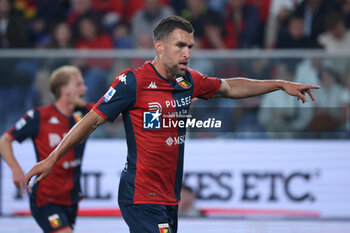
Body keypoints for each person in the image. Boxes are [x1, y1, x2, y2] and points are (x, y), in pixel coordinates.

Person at [25, 16, 319, 233]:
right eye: (180, 45)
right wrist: (53, 158)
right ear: (159, 45)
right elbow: (90, 122)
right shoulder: (132, 81)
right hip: (140, 195)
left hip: (169, 196)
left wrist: (279, 84)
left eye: (190, 46)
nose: (187, 53)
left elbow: (230, 87)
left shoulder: (187, 80)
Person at [0, 66, 92, 233]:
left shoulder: (85, 114)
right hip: (45, 200)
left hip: (71, 199)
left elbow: (119, 112)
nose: (84, 88)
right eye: (78, 84)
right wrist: (16, 170)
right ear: (63, 90)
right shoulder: (39, 116)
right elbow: (4, 141)